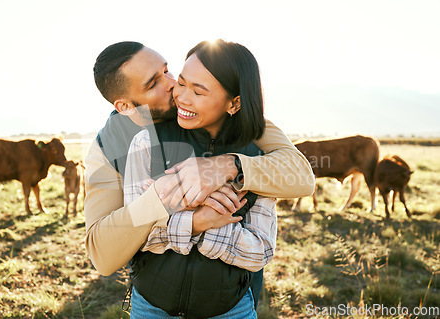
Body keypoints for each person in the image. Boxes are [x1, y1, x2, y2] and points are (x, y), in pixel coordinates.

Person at [84, 41, 315, 309]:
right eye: (153, 84)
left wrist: (226, 166)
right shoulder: (108, 146)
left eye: (168, 70)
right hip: (154, 300)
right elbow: (103, 255)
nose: (173, 85)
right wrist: (173, 201)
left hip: (229, 302)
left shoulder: (227, 117)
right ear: (125, 106)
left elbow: (302, 175)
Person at [123, 39, 279, 318]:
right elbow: (133, 234)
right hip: (151, 306)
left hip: (230, 310)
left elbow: (260, 252)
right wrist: (201, 219)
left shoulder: (257, 158)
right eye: (182, 83)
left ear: (235, 103)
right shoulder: (147, 141)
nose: (182, 97)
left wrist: (173, 211)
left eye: (199, 91)